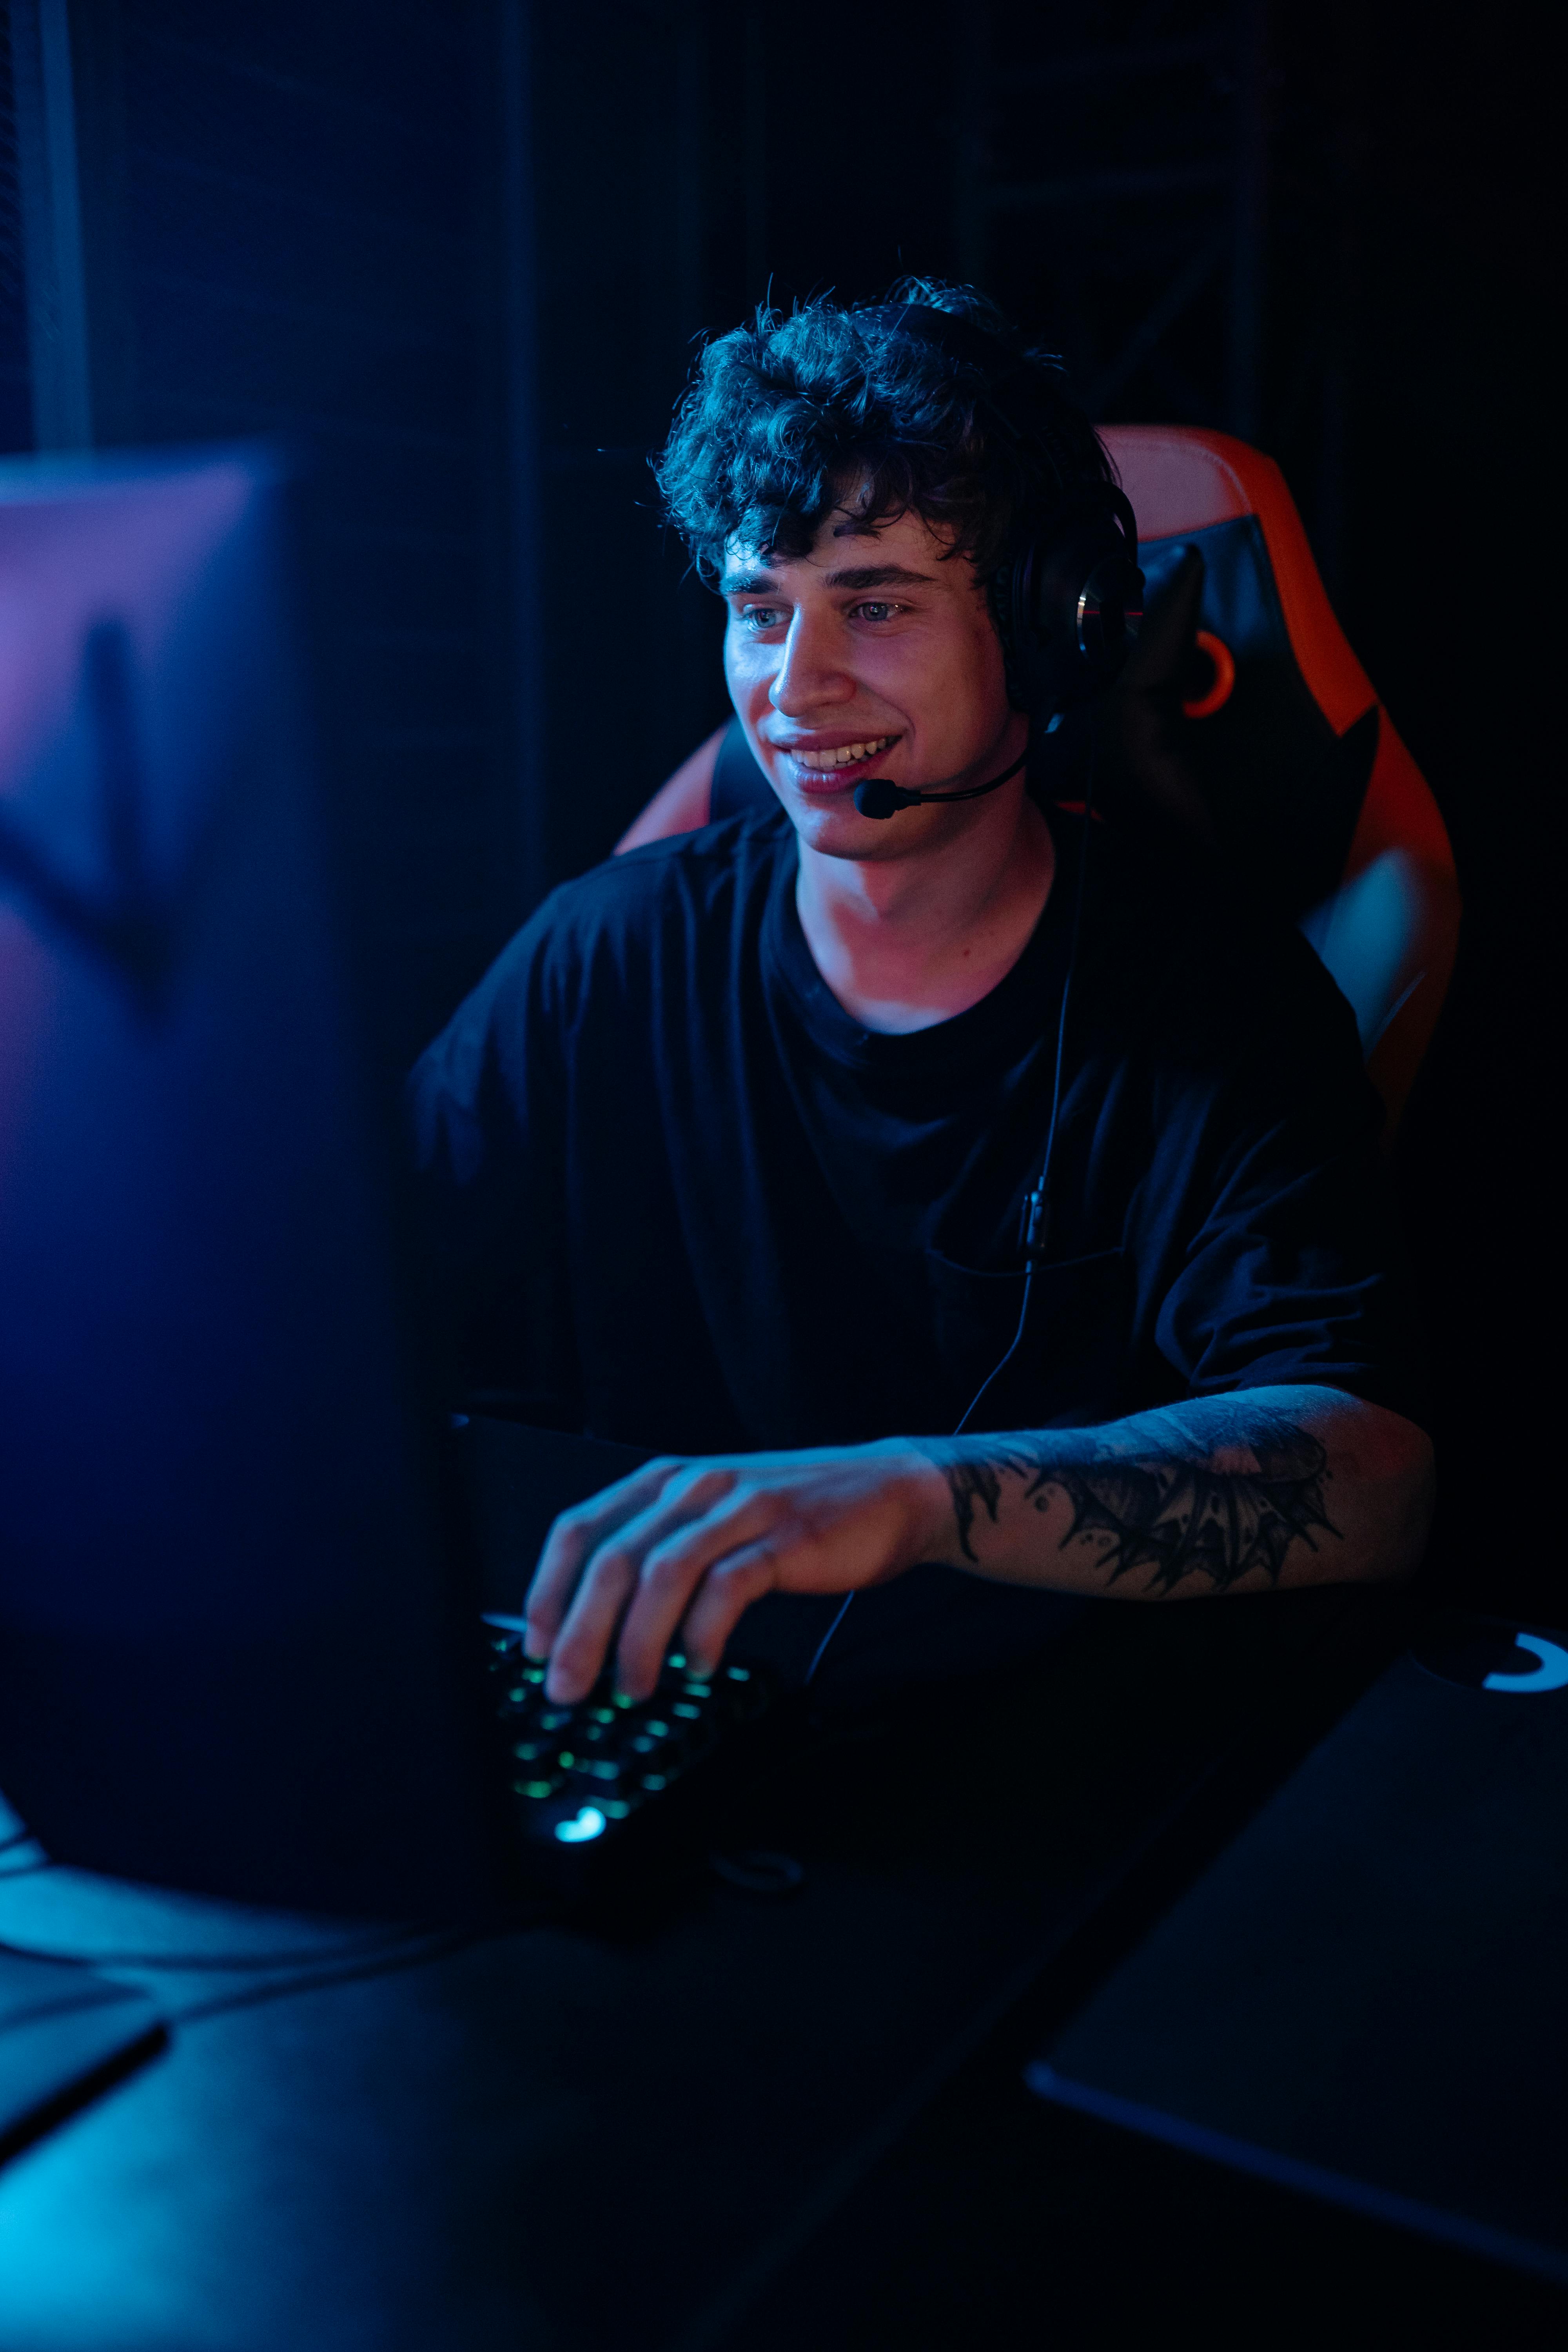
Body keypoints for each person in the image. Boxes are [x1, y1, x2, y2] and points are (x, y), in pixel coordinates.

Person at [410, 281, 1433, 1709]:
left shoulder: (1211, 993)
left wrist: (917, 1500)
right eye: (759, 611)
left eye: (874, 605)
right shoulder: (606, 951)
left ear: (1046, 634)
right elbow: (366, 1289)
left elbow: (1373, 1479)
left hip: (1036, 1764)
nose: (792, 688)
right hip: (656, 1708)